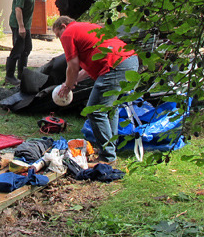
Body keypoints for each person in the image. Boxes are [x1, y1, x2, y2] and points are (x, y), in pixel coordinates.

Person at [52, 16, 139, 164]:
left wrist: (66, 86)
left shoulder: (68, 32)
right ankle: (110, 149)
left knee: (95, 110)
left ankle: (108, 156)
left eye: (57, 34)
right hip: (130, 61)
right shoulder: (87, 27)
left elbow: (72, 65)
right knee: (110, 109)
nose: (59, 38)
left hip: (114, 66)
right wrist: (70, 82)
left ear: (63, 25)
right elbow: (84, 71)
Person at [5, 0, 58, 86]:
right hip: (18, 24)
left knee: (27, 48)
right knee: (18, 50)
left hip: (25, 25)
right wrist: (21, 27)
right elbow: (18, 9)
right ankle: (9, 76)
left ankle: (22, 74)